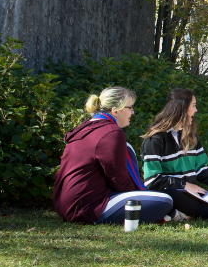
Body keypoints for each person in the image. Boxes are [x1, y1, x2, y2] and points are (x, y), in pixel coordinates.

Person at [53, 87, 174, 224]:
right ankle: (161, 214)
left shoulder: (87, 127)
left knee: (127, 149)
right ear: (115, 110)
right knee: (165, 200)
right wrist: (141, 197)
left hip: (67, 205)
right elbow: (119, 181)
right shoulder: (111, 132)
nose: (133, 112)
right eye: (130, 108)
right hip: (86, 208)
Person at [141, 88, 208, 221]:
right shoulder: (155, 140)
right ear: (182, 109)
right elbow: (152, 180)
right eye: (193, 106)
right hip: (172, 195)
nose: (196, 110)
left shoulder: (191, 136)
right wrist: (184, 185)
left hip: (192, 196)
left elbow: (201, 169)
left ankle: (186, 214)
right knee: (171, 193)